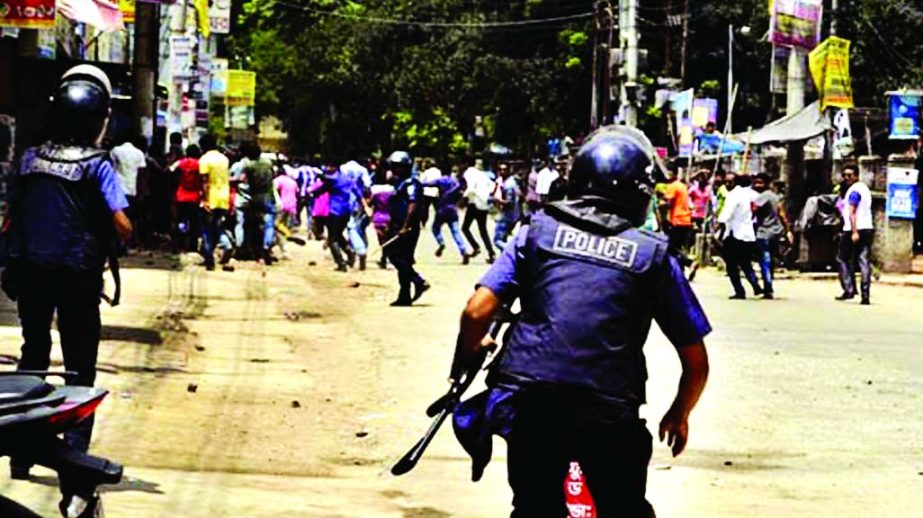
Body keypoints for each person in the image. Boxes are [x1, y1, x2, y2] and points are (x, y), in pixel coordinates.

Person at [448, 126, 710, 518]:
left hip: (531, 401)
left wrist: (467, 356)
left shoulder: (533, 233)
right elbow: (696, 362)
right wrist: (679, 413)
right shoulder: (652, 256)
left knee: (535, 506)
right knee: (623, 508)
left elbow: (476, 312)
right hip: (608, 406)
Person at [2, 65, 133, 511]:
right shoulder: (98, 164)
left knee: (32, 355)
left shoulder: (29, 158)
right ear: (99, 118)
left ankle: (20, 452)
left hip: (31, 271)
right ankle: (74, 465)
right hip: (77, 275)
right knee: (80, 369)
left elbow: (11, 214)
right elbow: (121, 223)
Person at [386, 151, 429, 306]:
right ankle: (404, 295)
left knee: (396, 257)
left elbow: (413, 205)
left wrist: (405, 226)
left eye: (399, 167)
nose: (395, 169)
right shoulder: (400, 183)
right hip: (397, 224)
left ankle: (418, 281)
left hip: (406, 226)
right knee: (403, 260)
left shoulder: (412, 183)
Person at [717, 174, 762, 299]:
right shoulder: (749, 194)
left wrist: (718, 226)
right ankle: (755, 285)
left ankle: (739, 291)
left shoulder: (733, 196)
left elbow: (725, 215)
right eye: (725, 182)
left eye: (730, 182)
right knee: (746, 263)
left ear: (736, 183)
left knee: (731, 266)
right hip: (748, 234)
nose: (727, 185)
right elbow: (759, 201)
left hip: (735, 235)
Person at [836, 165, 874, 305]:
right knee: (863, 260)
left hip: (853, 229)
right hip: (867, 228)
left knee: (842, 258)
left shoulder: (854, 191)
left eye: (850, 175)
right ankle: (865, 293)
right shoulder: (864, 189)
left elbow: (852, 212)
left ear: (856, 176)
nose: (847, 178)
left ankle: (849, 289)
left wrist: (854, 231)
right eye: (845, 175)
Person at [752, 173, 794, 299]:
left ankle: (768, 287)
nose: (757, 185)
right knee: (770, 260)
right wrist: (787, 230)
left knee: (765, 260)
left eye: (760, 182)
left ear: (766, 183)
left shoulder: (762, 196)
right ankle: (768, 283)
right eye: (756, 182)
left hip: (764, 232)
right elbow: (782, 214)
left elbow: (752, 211)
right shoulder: (775, 197)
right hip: (776, 232)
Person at [198, 134, 232, 270]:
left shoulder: (204, 160)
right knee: (217, 226)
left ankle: (209, 259)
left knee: (206, 230)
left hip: (211, 197)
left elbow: (205, 182)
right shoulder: (224, 159)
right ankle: (227, 244)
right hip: (224, 197)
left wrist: (205, 200)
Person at [424, 167, 470, 264]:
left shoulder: (440, 181)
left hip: (442, 209)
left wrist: (419, 183)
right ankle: (463, 250)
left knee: (435, 228)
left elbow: (427, 184)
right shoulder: (454, 182)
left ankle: (441, 243)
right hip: (452, 209)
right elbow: (461, 191)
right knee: (456, 232)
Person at [241, 143, 276, 264]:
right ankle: (267, 245)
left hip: (255, 197)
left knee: (255, 225)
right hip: (268, 195)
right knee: (269, 223)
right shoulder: (268, 163)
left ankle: (255, 251)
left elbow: (245, 180)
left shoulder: (249, 166)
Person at [462, 159, 496, 263]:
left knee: (465, 228)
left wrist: (464, 196)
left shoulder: (469, 173)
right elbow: (492, 186)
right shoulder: (483, 175)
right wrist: (485, 195)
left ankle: (475, 246)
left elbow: (471, 188)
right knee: (483, 230)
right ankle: (491, 253)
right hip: (483, 204)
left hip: (474, 204)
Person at [170, 144, 203, 252]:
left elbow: (170, 170)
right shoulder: (199, 164)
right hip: (194, 197)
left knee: (177, 221)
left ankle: (176, 245)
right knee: (194, 222)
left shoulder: (181, 163)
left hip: (180, 195)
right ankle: (192, 246)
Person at [661, 171, 694, 268]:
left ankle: (689, 263)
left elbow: (669, 203)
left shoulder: (673, 186)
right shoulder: (682, 186)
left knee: (671, 247)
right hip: (686, 219)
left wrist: (661, 203)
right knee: (678, 247)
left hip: (676, 220)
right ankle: (680, 268)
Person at [370, 170, 396, 269]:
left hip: (378, 217)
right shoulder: (393, 190)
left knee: (382, 240)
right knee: (388, 239)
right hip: (389, 217)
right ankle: (385, 258)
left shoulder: (375, 190)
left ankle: (384, 258)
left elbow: (370, 203)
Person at [493, 163, 522, 250]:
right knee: (504, 238)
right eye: (500, 170)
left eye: (504, 170)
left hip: (507, 215)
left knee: (497, 240)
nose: (502, 172)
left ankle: (511, 251)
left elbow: (509, 202)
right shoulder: (509, 182)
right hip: (513, 215)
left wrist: (498, 200)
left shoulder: (509, 185)